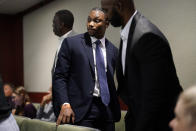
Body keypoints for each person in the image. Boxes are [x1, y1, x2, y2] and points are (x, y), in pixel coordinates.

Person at [101, 0, 183, 131]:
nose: (104, 16)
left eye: (105, 10)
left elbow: (154, 100)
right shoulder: (128, 32)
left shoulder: (147, 37)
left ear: (119, 6)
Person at [53, 7, 121, 131]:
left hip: (107, 111)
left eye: (96, 21)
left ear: (107, 24)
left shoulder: (113, 50)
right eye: (89, 20)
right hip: (81, 110)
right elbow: (59, 77)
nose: (90, 24)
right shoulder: (71, 44)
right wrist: (65, 104)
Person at [52, 9, 77, 75]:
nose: (53, 25)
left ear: (61, 25)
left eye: (54, 22)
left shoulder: (77, 42)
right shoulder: (62, 41)